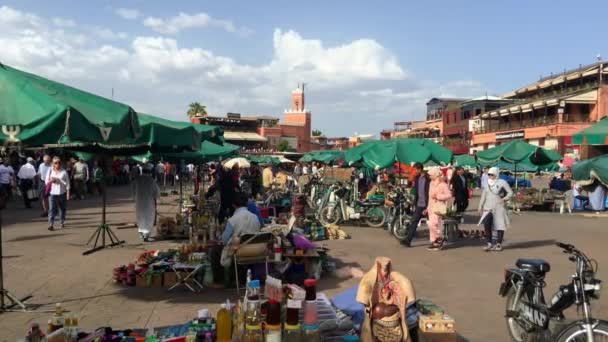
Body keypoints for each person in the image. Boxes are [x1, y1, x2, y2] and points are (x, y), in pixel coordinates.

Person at [212, 192, 262, 284]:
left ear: (233, 205)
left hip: (240, 251)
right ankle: (235, 278)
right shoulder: (255, 217)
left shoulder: (233, 219)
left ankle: (219, 281)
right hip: (256, 250)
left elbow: (224, 240)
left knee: (215, 250)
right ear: (246, 203)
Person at [478, 166, 513, 252]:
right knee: (487, 224)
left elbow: (510, 192)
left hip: (499, 207)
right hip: (488, 208)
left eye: (492, 174)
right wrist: (480, 206)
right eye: (489, 174)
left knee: (499, 225)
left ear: (496, 174)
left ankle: (498, 244)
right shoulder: (487, 183)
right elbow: (483, 196)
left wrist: (504, 198)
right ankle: (489, 243)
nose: (490, 176)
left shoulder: (502, 182)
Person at [403, 162, 430, 248]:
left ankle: (437, 240)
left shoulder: (428, 178)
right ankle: (408, 240)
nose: (414, 171)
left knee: (433, 223)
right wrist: (409, 182)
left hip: (428, 204)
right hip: (419, 204)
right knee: (414, 221)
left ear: (420, 169)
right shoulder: (417, 178)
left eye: (415, 170)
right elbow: (414, 188)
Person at [426, 167, 452, 250]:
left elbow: (449, 195)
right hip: (431, 207)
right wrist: (427, 207)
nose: (429, 176)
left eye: (431, 175)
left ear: (435, 174)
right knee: (431, 224)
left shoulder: (443, 184)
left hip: (438, 207)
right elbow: (430, 197)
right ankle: (434, 242)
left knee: (434, 224)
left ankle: (439, 239)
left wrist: (438, 196)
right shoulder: (431, 183)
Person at [133, 166, 160, 241]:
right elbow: (157, 192)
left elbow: (133, 189)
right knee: (148, 217)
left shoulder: (137, 179)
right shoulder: (151, 180)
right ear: (149, 173)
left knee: (140, 216)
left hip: (139, 202)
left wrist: (134, 197)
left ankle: (141, 232)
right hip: (149, 202)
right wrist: (156, 197)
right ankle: (146, 234)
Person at [46, 157, 70, 231]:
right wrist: (51, 181)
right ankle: (51, 224)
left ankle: (62, 221)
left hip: (62, 193)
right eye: (55, 163)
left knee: (62, 209)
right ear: (53, 164)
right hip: (52, 193)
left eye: (59, 162)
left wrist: (68, 193)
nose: (57, 164)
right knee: (52, 209)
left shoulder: (64, 172)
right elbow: (46, 182)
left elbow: (68, 183)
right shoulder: (50, 171)